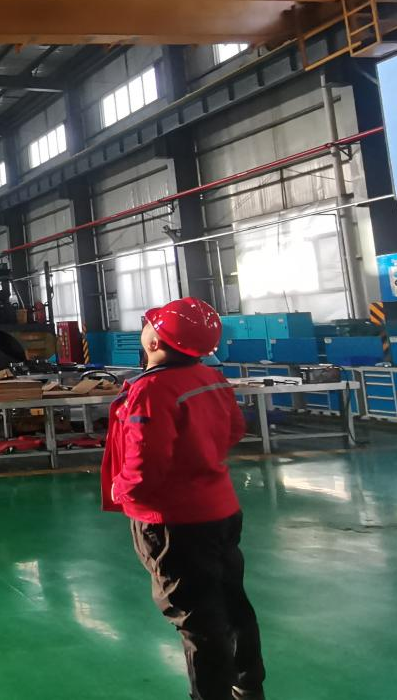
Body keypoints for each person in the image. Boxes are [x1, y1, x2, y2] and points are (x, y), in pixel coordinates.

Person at [100, 297, 265, 700]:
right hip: (220, 508)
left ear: (155, 341)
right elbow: (234, 429)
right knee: (231, 600)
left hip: (173, 521)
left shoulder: (152, 390)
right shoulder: (210, 377)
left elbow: (146, 461)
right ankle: (247, 685)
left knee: (196, 618)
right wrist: (200, 455)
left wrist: (123, 489)